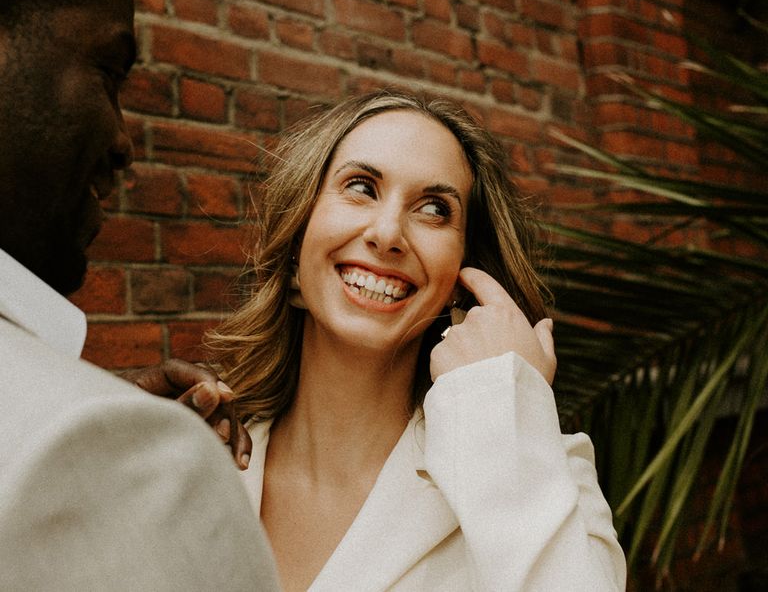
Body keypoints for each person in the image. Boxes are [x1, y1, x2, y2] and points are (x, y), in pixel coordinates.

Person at [207, 91, 628, 591]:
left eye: (433, 209)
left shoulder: (544, 470)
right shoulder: (199, 457)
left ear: (460, 276)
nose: (387, 234)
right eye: (361, 187)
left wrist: (496, 400)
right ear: (298, 241)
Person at [0, 0, 278, 589]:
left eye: (435, 207)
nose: (125, 142)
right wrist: (99, 448)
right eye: (109, 72)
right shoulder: (117, 459)